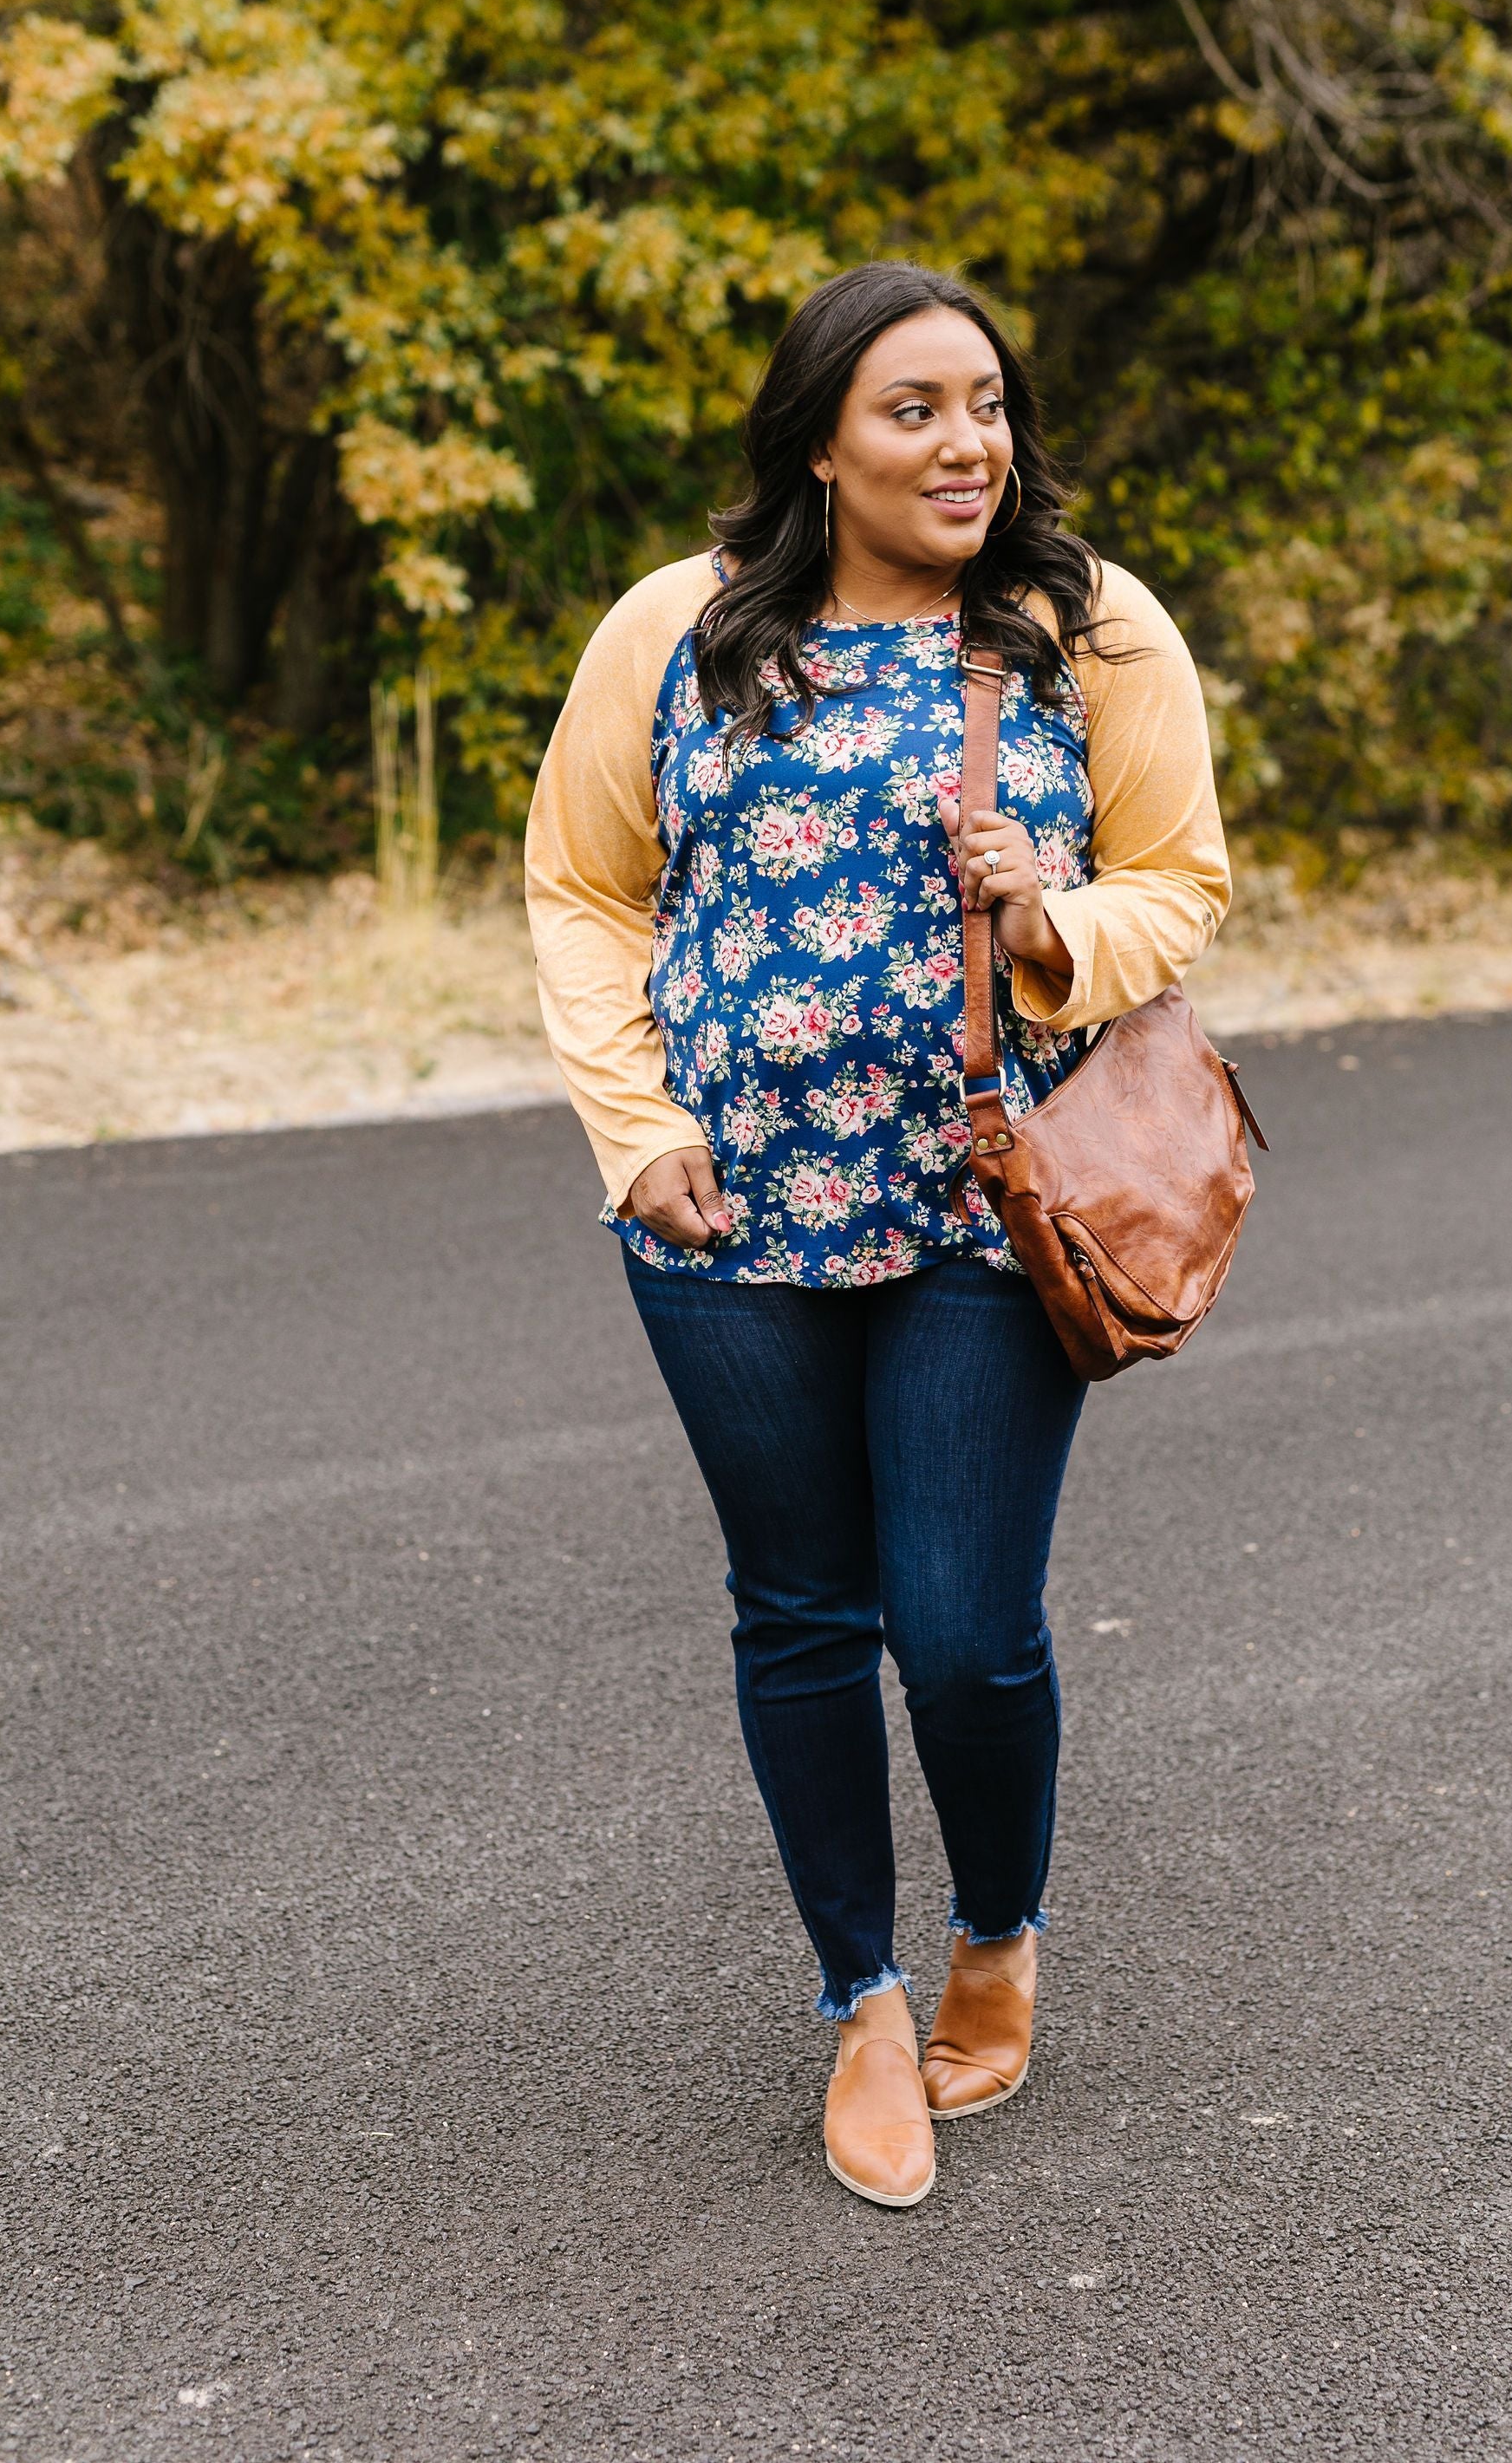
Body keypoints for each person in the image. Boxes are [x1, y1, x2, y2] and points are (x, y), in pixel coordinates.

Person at [525, 261, 1230, 2208]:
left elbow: (1181, 882)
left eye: (986, 403)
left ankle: (997, 1931)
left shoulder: (1084, 628)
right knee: (801, 1613)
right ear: (821, 440)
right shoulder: (676, 628)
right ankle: (860, 1992)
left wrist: (1055, 921)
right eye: (912, 408)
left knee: (964, 1628)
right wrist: (634, 1124)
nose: (965, 443)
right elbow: (582, 887)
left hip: (983, 1201)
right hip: (728, 1201)